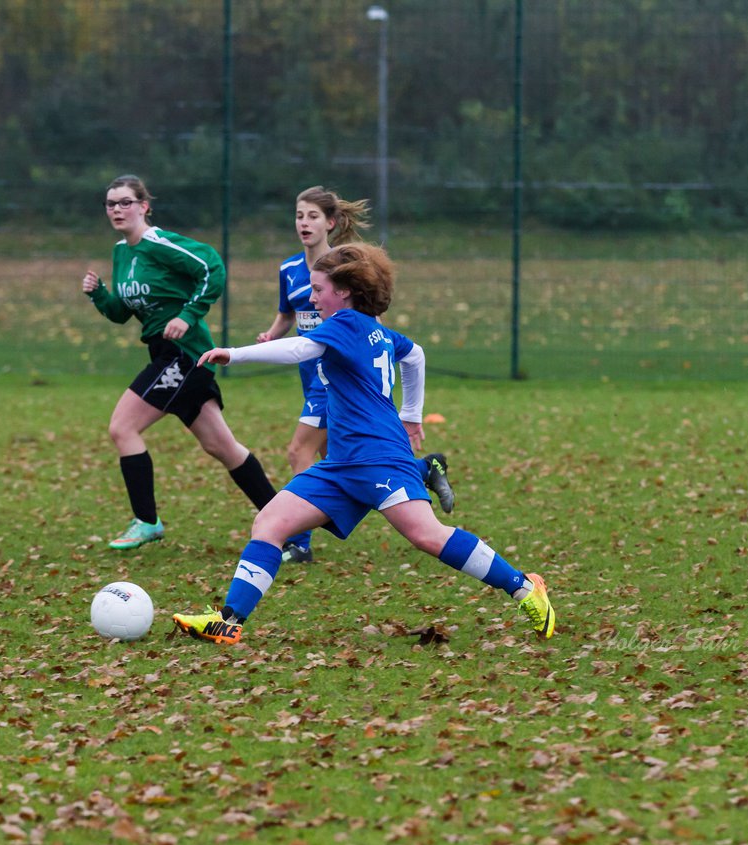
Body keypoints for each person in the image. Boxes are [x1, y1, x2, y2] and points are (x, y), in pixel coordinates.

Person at [172, 243, 555, 645]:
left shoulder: (346, 324)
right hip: (341, 465)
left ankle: (525, 587)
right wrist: (411, 413)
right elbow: (416, 355)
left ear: (345, 291)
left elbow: (300, 348)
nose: (311, 297)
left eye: (318, 289)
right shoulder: (375, 329)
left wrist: (233, 354)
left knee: (428, 536)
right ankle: (228, 621)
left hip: (379, 457)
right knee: (270, 523)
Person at [258, 186, 455, 566]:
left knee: (299, 450)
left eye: (312, 216)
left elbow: (369, 327)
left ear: (330, 223)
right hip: (314, 373)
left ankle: (298, 541)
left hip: (331, 378)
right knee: (338, 457)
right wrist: (271, 335)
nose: (304, 223)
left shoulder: (343, 266)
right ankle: (421, 468)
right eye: (299, 215)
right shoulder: (288, 269)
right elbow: (288, 315)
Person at [81, 174, 280, 550]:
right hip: (167, 354)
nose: (117, 209)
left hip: (186, 355)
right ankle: (285, 525)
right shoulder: (122, 252)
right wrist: (100, 294)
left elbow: (212, 269)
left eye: (125, 202)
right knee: (224, 448)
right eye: (111, 204)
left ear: (144, 206)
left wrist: (188, 315)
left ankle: (146, 521)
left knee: (122, 428)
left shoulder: (160, 244)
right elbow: (122, 313)